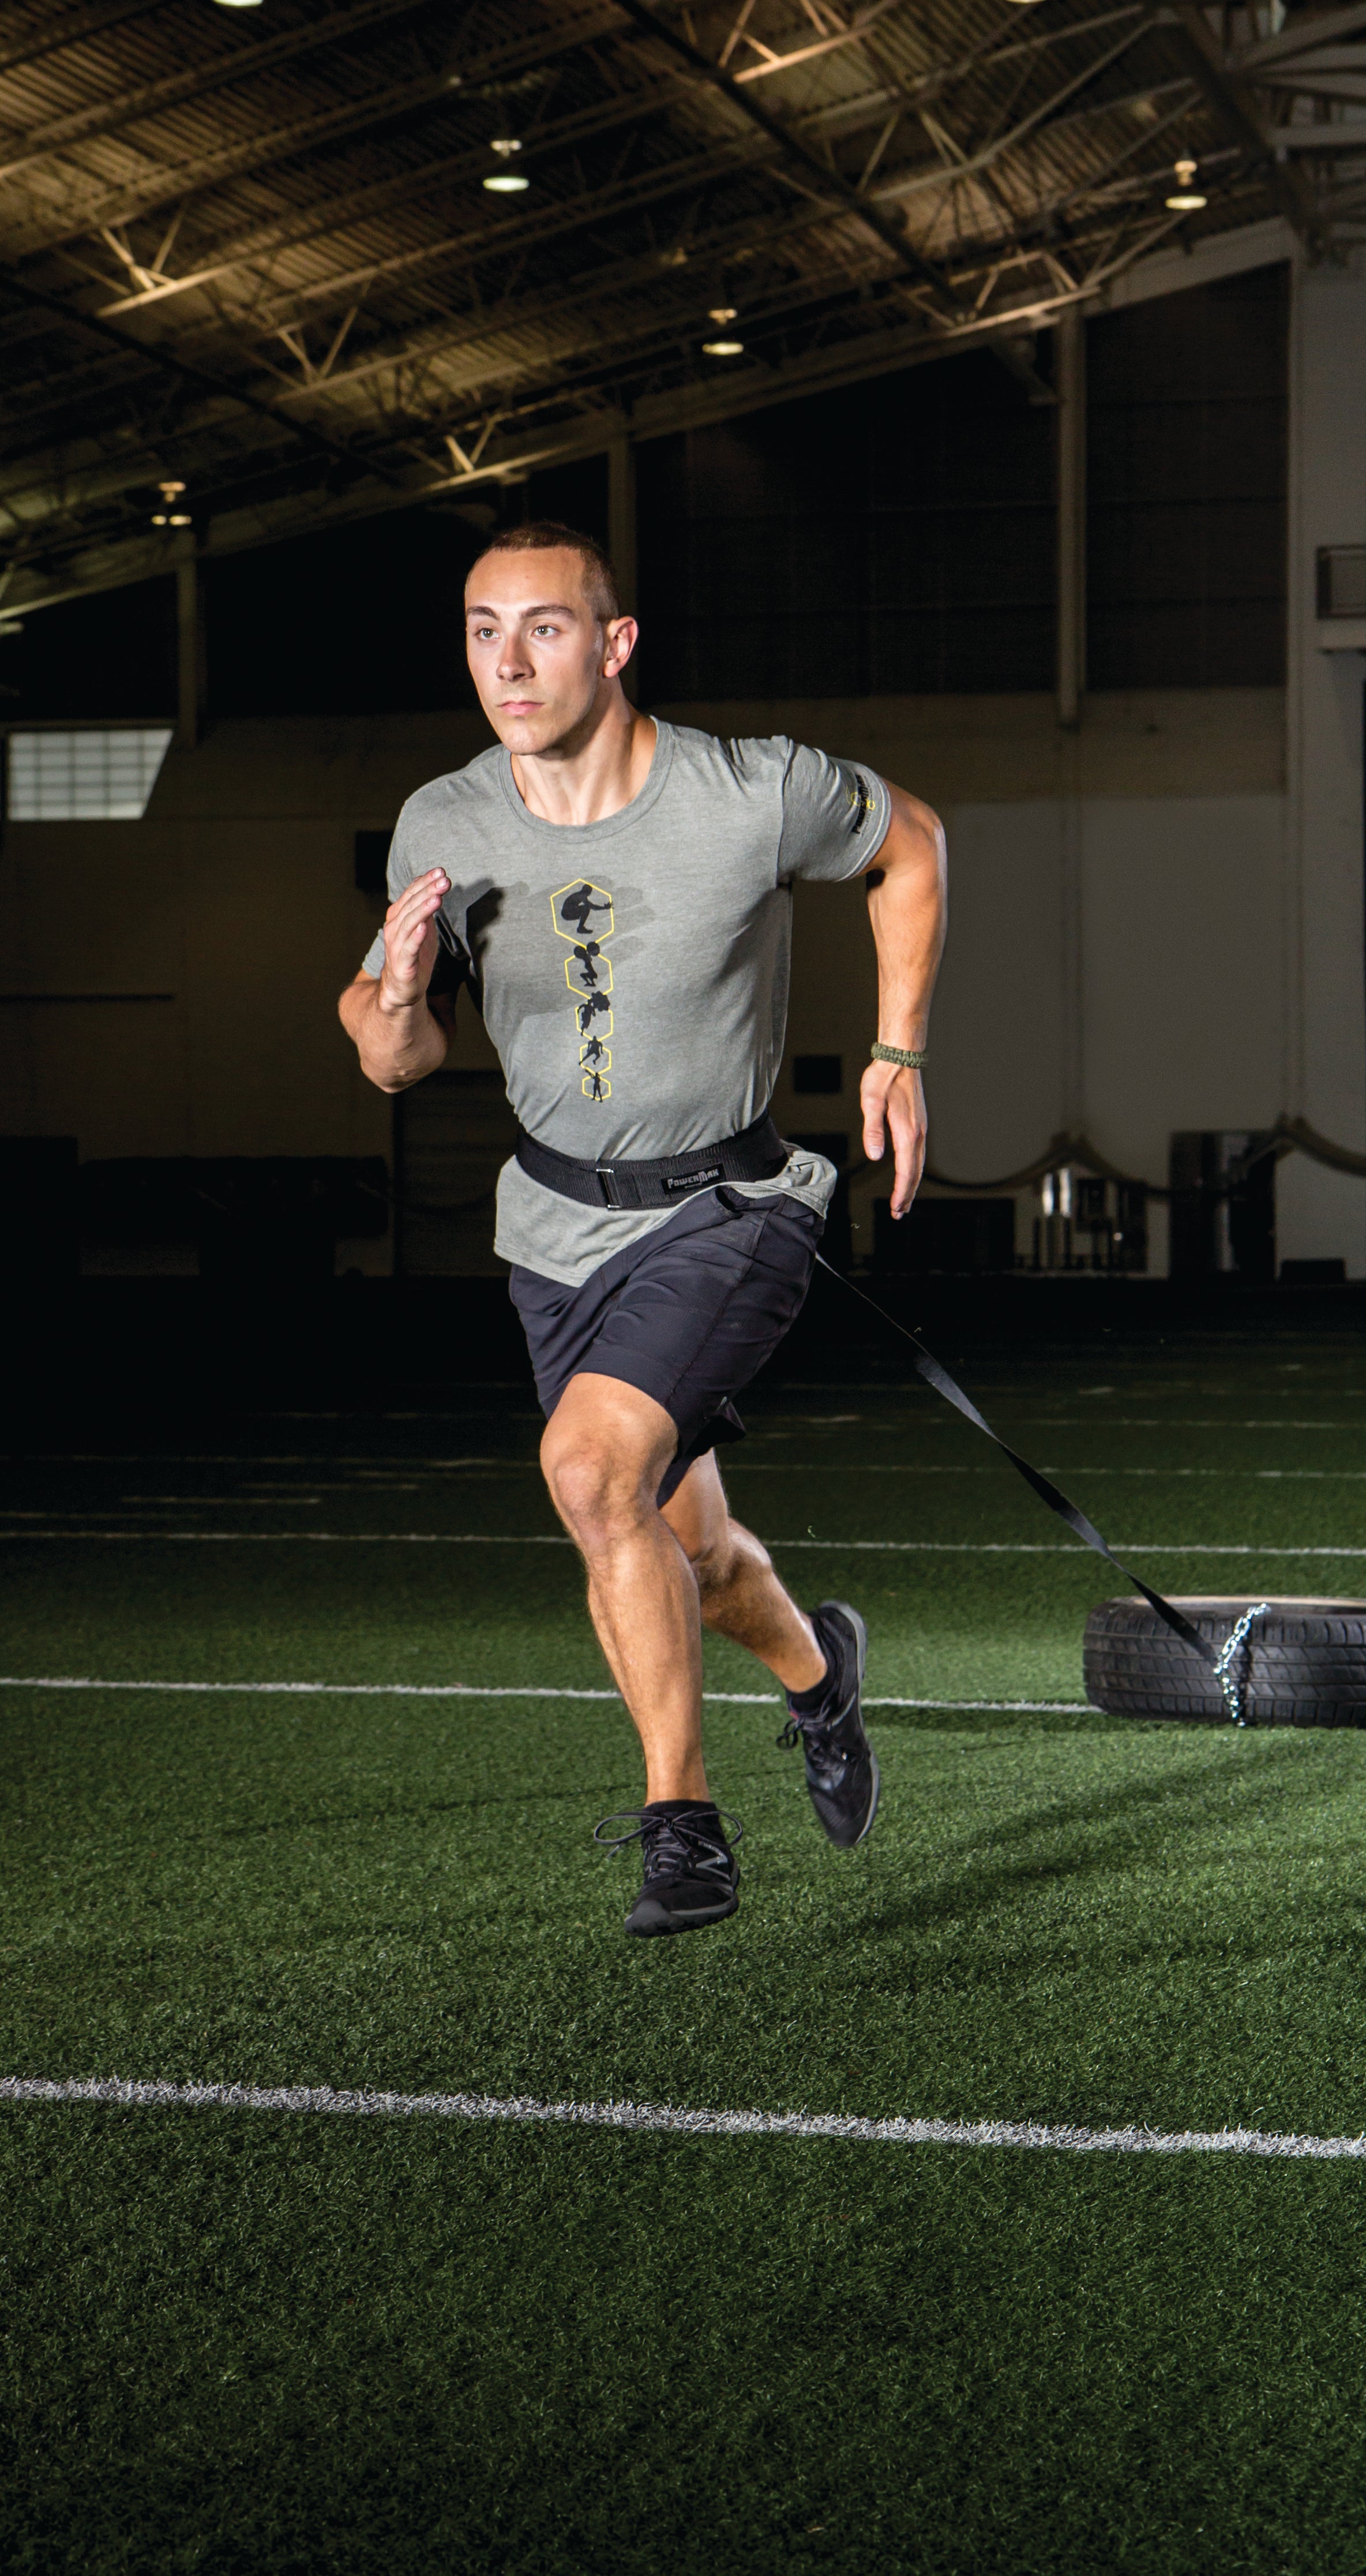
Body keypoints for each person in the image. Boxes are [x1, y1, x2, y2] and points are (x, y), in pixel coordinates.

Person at [338, 521, 946, 1938]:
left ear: (614, 644)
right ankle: (821, 1675)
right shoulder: (443, 822)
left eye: (543, 627)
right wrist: (400, 995)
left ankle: (686, 1829)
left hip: (729, 1208)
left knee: (588, 1471)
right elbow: (391, 1060)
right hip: (554, 1235)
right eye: (483, 630)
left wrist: (898, 1050)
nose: (508, 661)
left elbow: (913, 841)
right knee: (693, 1551)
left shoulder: (749, 789)